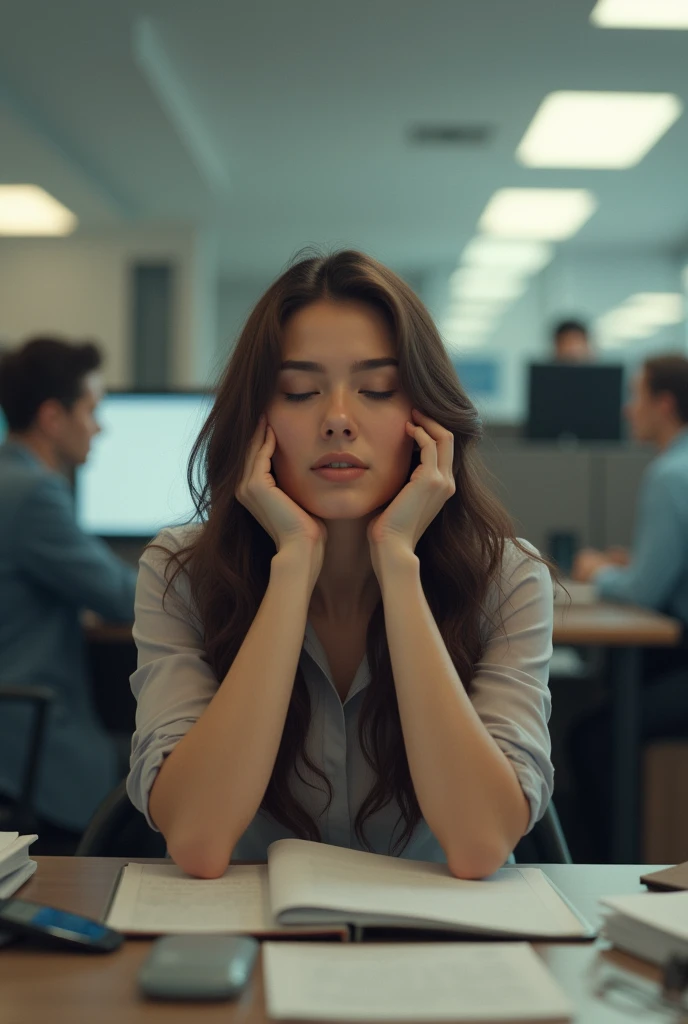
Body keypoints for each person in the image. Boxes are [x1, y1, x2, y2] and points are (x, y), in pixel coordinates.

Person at [127, 250, 557, 880]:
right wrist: (294, 562)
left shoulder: (507, 579)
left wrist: (397, 563)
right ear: (256, 421)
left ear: (428, 419)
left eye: (377, 390)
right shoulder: (181, 572)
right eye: (299, 391)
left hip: (441, 951)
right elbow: (196, 839)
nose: (336, 419)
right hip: (252, 946)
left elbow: (479, 844)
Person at [0, 336, 137, 851]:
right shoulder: (34, 494)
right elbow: (125, 597)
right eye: (91, 410)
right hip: (24, 744)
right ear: (53, 417)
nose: (99, 427)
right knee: (163, 764)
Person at [570, 353, 688, 860]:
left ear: (664, 404)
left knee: (592, 740)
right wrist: (635, 563)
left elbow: (642, 594)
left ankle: (610, 866)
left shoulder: (670, 474)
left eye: (636, 395)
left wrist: (600, 571)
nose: (627, 409)